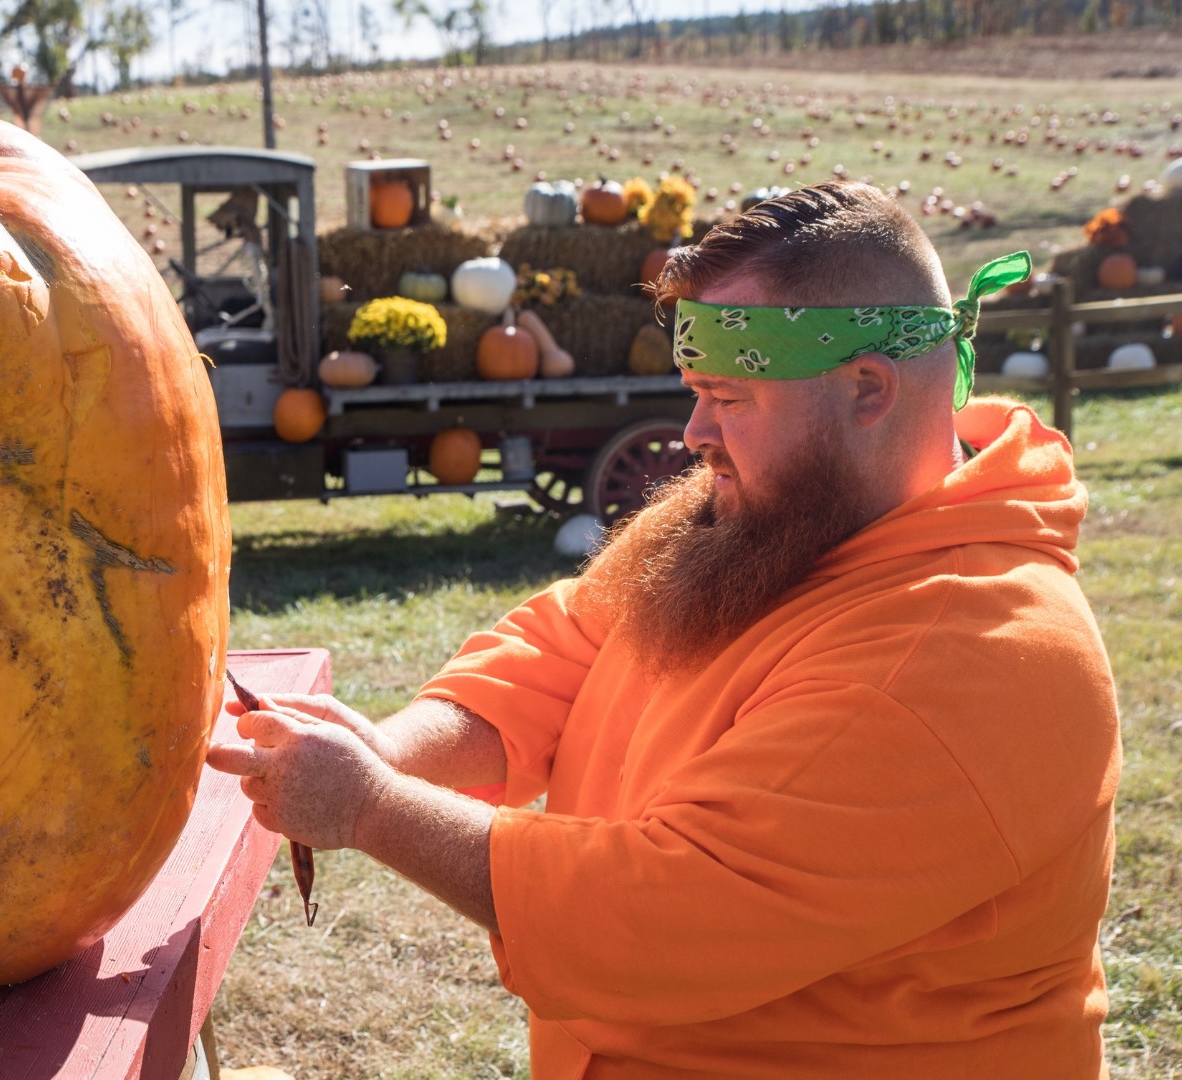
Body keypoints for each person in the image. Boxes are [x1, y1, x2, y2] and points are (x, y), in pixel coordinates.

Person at [207, 181, 1120, 1079]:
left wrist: (371, 806)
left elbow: (669, 913)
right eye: (694, 391)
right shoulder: (777, 516)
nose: (693, 433)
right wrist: (399, 747)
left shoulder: (973, 654)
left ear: (868, 390)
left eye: (731, 398)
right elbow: (576, 637)